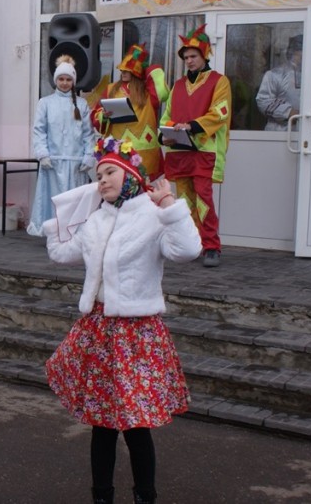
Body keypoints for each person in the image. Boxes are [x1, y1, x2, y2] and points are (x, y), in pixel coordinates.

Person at [43, 136, 201, 504]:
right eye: (98, 176)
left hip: (137, 333)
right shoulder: (97, 219)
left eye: (110, 172)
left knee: (135, 424)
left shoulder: (152, 215)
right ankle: (102, 496)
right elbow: (63, 254)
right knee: (102, 424)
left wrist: (170, 207)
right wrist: (59, 219)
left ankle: (145, 495)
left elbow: (188, 250)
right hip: (98, 330)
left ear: (130, 174)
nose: (102, 181)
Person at [160, 24, 232, 268]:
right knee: (185, 201)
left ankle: (211, 246)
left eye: (193, 56)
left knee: (203, 199)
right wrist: (166, 135)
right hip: (179, 151)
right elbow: (166, 116)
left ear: (205, 55)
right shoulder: (178, 85)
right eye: (186, 57)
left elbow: (220, 113)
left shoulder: (219, 82)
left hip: (204, 151)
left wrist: (191, 126)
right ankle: (192, 244)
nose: (189, 61)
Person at [27, 54, 97, 236]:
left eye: (68, 79)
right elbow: (39, 130)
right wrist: (42, 154)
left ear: (73, 81)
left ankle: (73, 233)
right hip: (53, 162)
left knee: (74, 201)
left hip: (75, 164)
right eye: (61, 79)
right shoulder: (45, 103)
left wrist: (89, 156)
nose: (64, 83)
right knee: (53, 200)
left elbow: (88, 134)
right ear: (55, 80)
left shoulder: (81, 105)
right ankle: (53, 232)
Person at [91, 43, 170, 180]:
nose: (123, 73)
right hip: (117, 150)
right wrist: (104, 116)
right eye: (122, 70)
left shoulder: (148, 92)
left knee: (142, 192)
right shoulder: (110, 89)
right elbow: (96, 115)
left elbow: (163, 92)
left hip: (144, 153)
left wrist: (145, 67)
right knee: (119, 189)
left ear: (136, 73)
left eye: (127, 70)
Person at [255, 34, 311, 131]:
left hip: (310, 137)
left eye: (308, 53)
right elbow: (263, 100)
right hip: (278, 136)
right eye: (299, 53)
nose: (303, 57)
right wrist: (288, 112)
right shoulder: (275, 75)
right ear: (291, 52)